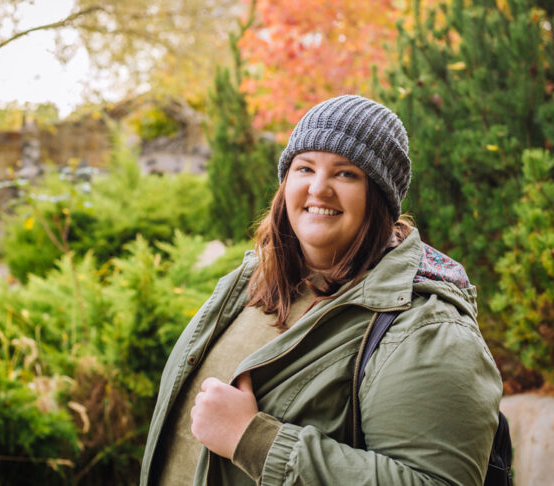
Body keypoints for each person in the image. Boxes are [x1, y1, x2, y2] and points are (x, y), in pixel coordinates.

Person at [140, 95, 502, 486]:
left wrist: (254, 440)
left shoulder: (426, 329)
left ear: (379, 198)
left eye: (345, 173)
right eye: (305, 167)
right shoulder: (250, 282)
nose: (319, 188)